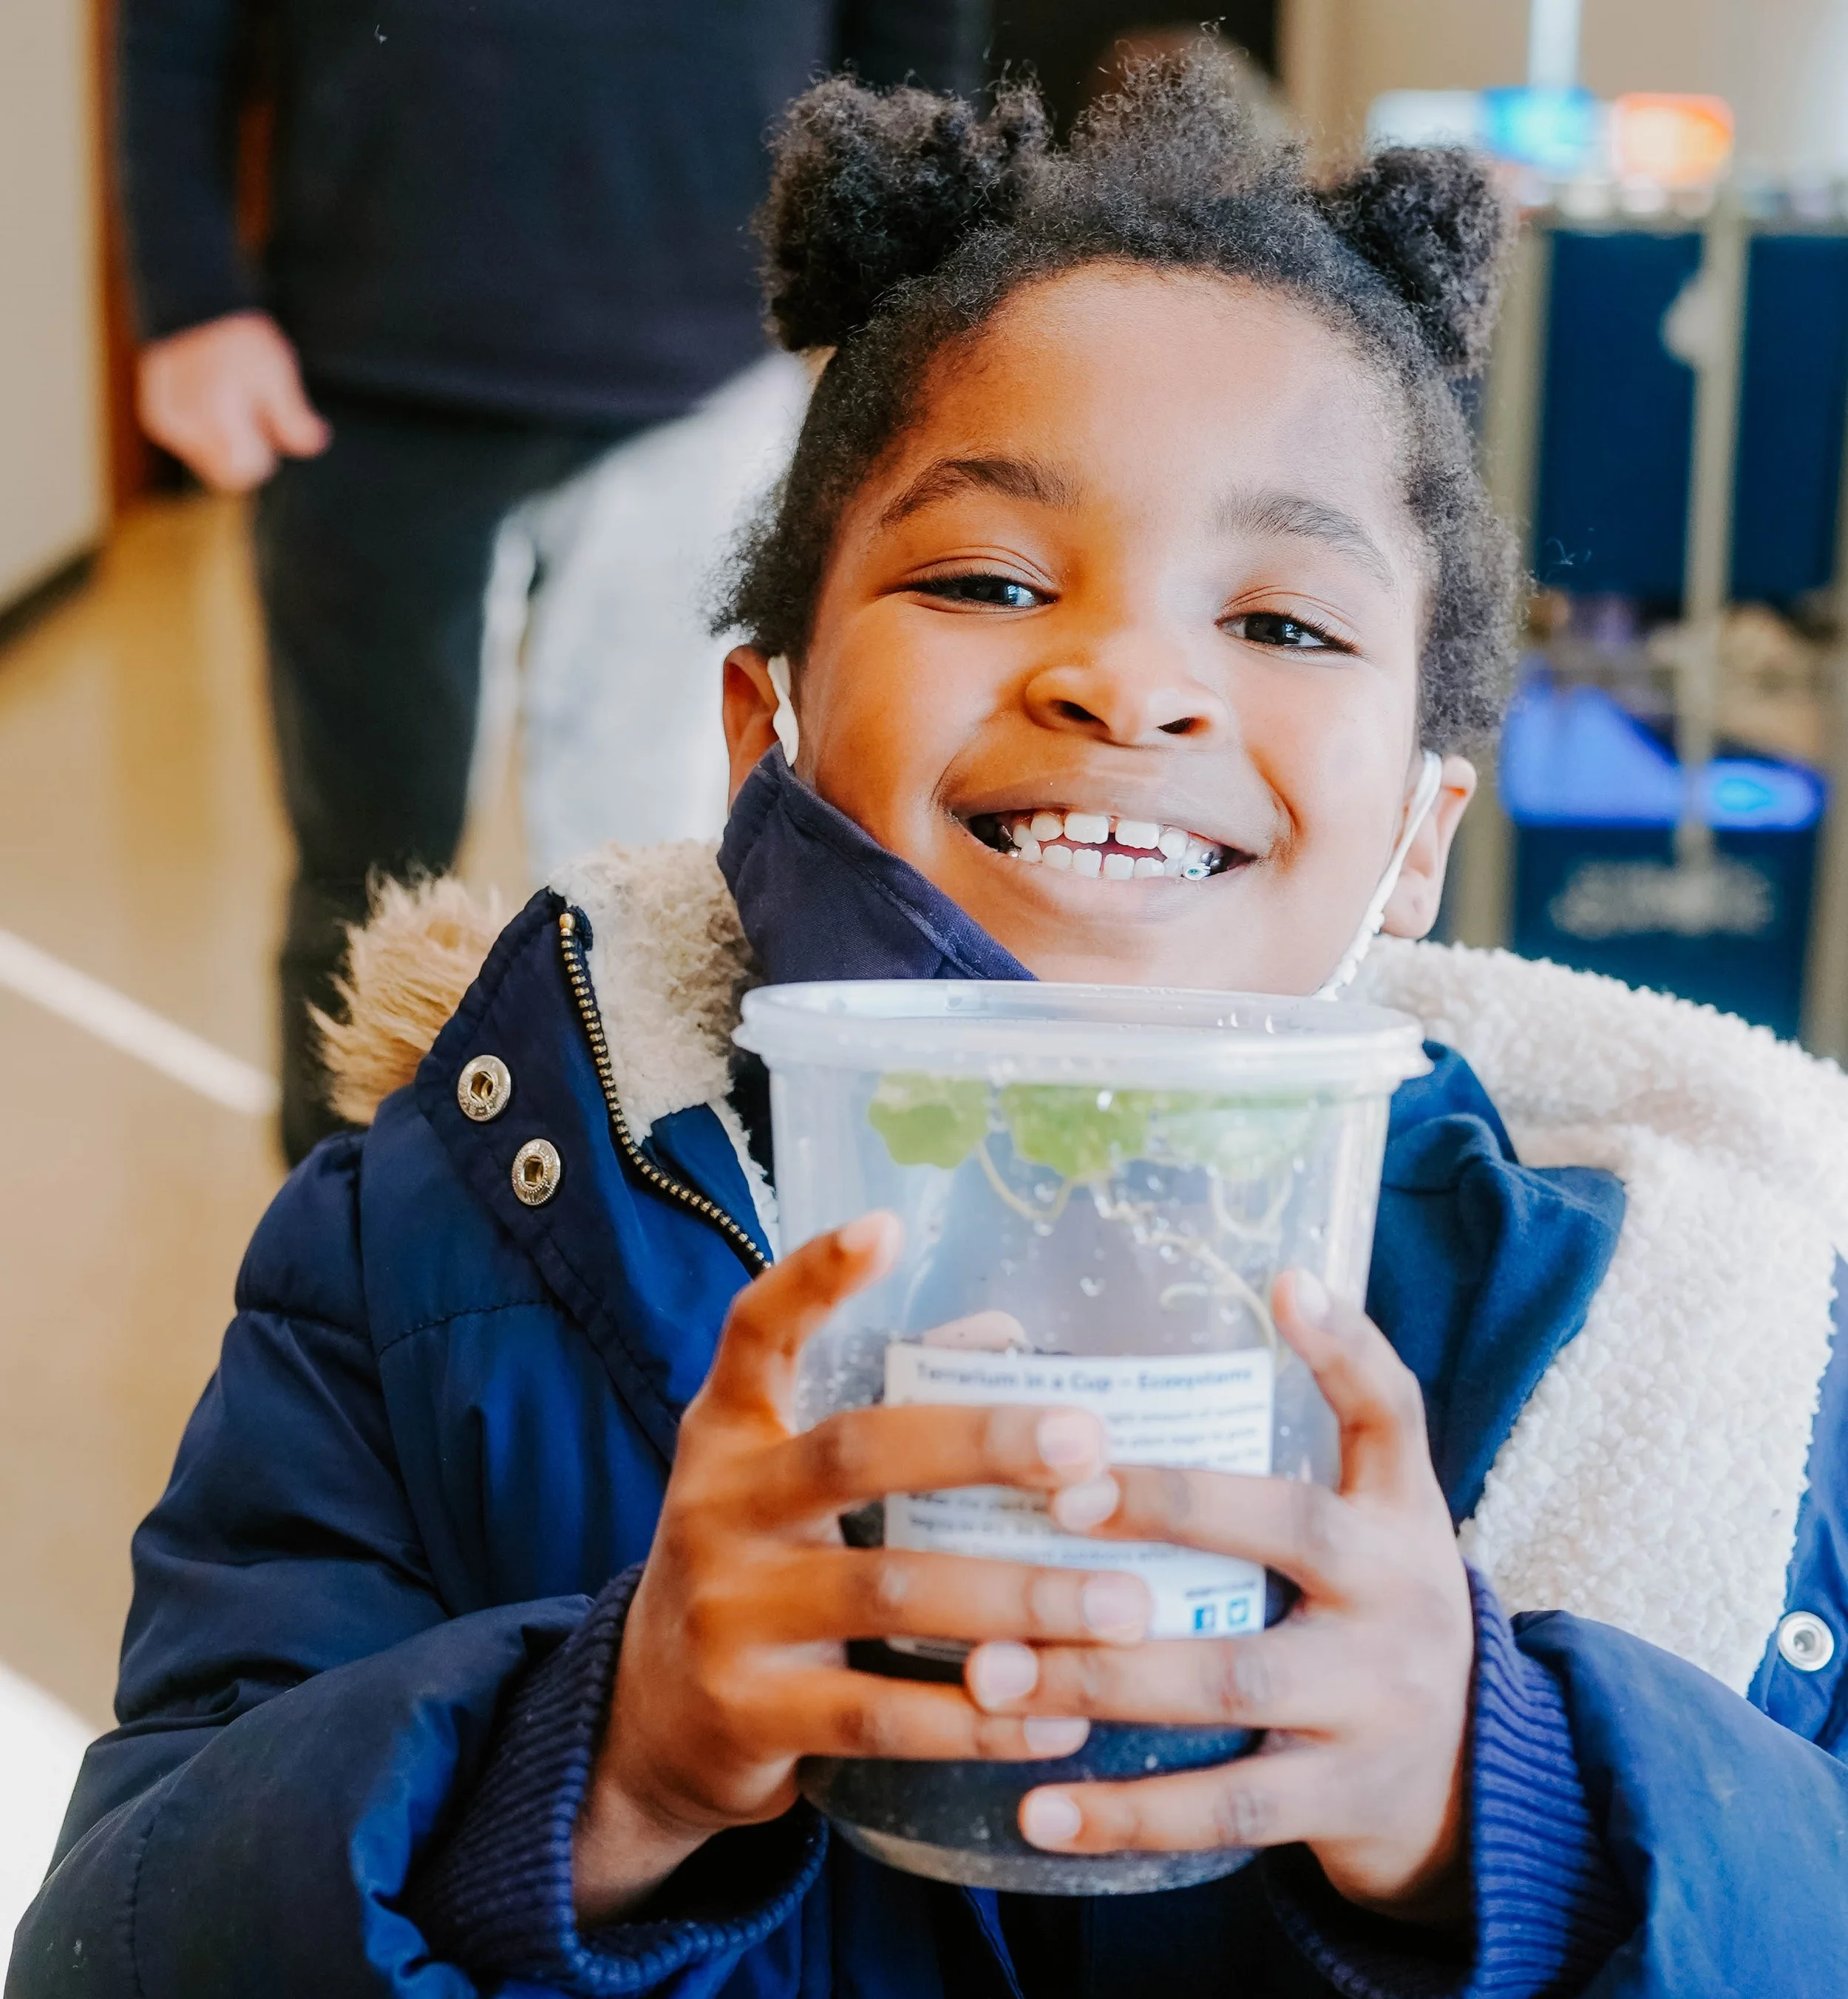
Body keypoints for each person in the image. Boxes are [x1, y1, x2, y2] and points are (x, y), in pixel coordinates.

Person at [17, 61, 1848, 1998]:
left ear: (1417, 836)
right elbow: (118, 1946)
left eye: (1285, 625)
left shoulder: (1641, 1325)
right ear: (760, 735)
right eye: (987, 577)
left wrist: (1499, 1794)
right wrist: (601, 1762)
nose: (1128, 679)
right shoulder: (435, 1248)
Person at [118, 0, 985, 1163]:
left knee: (640, 896)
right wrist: (192, 302)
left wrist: (898, 296)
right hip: (367, 390)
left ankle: (617, 1271)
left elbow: (914, 24)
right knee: (367, 880)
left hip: (705, 379)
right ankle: (337, 1284)